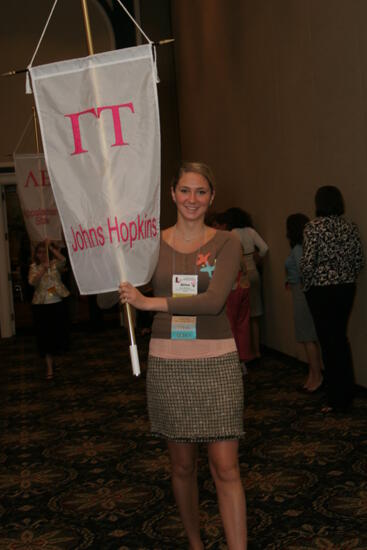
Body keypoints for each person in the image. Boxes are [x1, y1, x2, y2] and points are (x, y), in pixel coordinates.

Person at [119, 162, 247, 549]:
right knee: (182, 466)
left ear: (212, 198)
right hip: (169, 364)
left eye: (201, 192)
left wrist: (147, 302)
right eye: (185, 191)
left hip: (217, 363)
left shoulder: (228, 243)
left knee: (226, 467)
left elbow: (211, 303)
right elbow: (118, 294)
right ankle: (195, 542)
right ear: (173, 193)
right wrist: (118, 271)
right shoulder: (149, 244)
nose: (193, 199)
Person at [300, 186, 364, 413]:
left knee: (329, 343)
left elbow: (308, 264)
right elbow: (358, 260)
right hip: (346, 288)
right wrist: (345, 277)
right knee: (341, 340)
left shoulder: (313, 227)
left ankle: (337, 399)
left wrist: (306, 287)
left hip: (322, 290)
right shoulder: (350, 226)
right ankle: (346, 392)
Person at [285, 214, 323, 391]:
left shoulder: (299, 248)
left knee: (308, 337)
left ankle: (316, 376)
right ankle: (313, 374)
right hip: (300, 292)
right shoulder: (303, 247)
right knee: (309, 337)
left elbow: (303, 271)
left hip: (302, 294)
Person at [225, 207, 268, 360]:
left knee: (240, 318)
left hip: (241, 277)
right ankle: (256, 351)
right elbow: (264, 248)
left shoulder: (231, 234)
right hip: (254, 272)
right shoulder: (250, 231)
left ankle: (244, 352)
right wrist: (258, 258)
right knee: (255, 314)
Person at [28, 238, 70, 379]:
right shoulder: (34, 267)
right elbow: (32, 282)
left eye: (44, 252)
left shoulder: (54, 264)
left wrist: (50, 247)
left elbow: (63, 259)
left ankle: (56, 359)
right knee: (44, 337)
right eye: (39, 252)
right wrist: (42, 270)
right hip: (41, 306)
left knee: (57, 334)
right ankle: (49, 368)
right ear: (36, 255)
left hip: (56, 303)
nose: (42, 254)